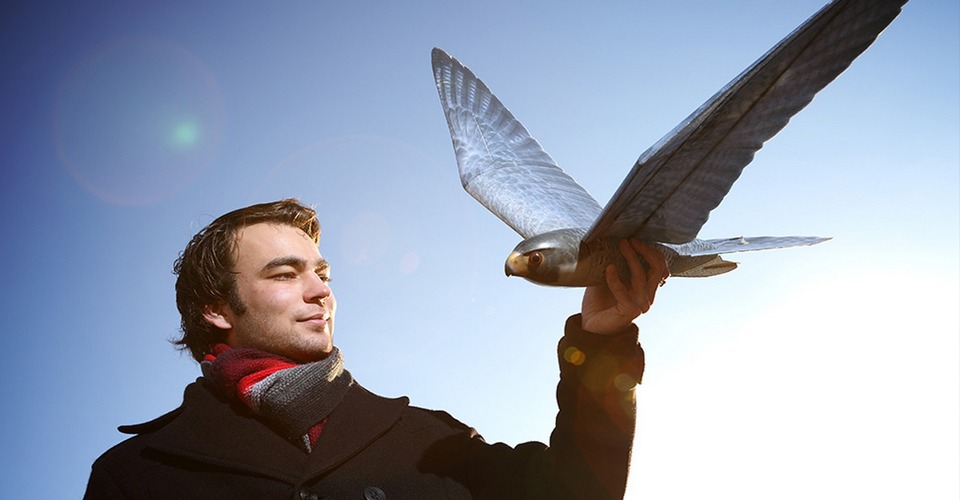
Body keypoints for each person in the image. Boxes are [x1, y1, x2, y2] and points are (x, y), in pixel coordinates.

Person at [84, 198, 669, 500]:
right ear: (216, 307)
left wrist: (602, 338)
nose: (321, 291)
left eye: (323, 271)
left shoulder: (422, 436)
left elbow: (580, 490)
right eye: (285, 274)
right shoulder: (136, 473)